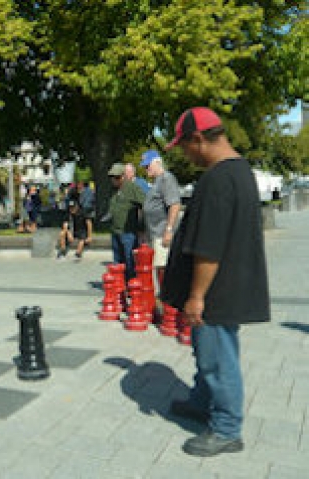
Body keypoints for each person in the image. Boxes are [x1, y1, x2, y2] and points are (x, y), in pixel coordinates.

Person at [162, 107, 270, 457]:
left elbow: (208, 246)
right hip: (227, 284)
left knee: (217, 359)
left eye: (184, 146)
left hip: (215, 292)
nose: (185, 154)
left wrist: (196, 296)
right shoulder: (239, 171)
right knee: (207, 351)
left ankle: (226, 428)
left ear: (198, 139)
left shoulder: (218, 179)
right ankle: (202, 401)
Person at [139, 150, 181, 291]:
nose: (146, 169)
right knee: (158, 267)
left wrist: (169, 230)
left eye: (148, 166)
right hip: (154, 233)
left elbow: (174, 205)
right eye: (145, 167)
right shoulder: (156, 182)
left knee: (163, 267)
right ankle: (163, 294)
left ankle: (166, 297)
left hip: (162, 232)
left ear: (157, 163)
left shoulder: (166, 179)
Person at [104, 163, 145, 281]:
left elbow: (144, 205)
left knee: (129, 260)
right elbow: (113, 206)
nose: (114, 180)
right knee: (118, 261)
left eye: (117, 177)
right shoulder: (112, 190)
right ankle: (120, 284)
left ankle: (131, 284)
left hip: (128, 231)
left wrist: (141, 226)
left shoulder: (132, 188)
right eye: (112, 177)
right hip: (115, 230)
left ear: (123, 176)